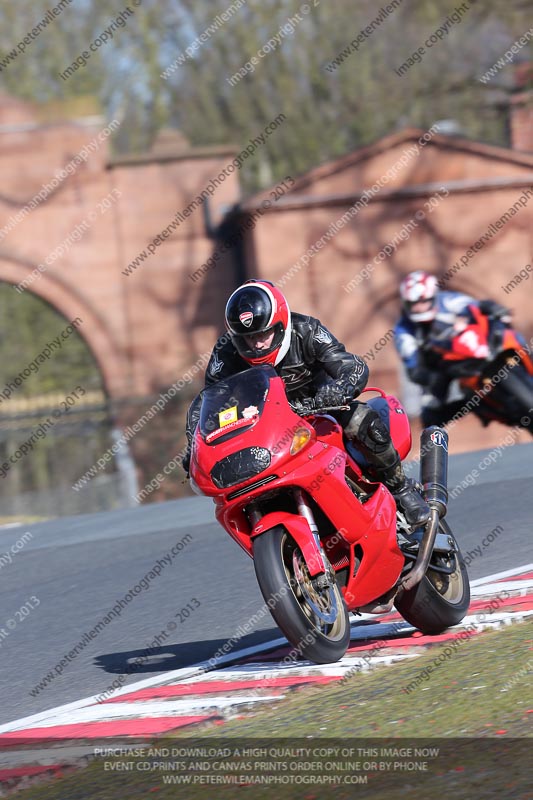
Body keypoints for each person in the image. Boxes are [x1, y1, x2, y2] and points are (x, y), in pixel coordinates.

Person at [183, 279, 430, 527]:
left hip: (320, 409)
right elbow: (210, 401)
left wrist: (339, 389)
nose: (257, 344)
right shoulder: (225, 353)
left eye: (263, 334)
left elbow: (349, 364)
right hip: (265, 428)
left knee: (361, 420)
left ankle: (401, 489)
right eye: (248, 338)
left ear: (280, 324)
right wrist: (196, 444)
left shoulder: (307, 330)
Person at [394, 270, 511, 425]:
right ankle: (482, 408)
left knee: (505, 329)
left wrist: (489, 307)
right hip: (445, 368)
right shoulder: (403, 330)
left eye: (424, 301)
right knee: (430, 415)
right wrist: (429, 378)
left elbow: (473, 306)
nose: (420, 308)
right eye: (414, 304)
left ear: (433, 296)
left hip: (474, 347)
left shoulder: (448, 300)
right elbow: (412, 365)